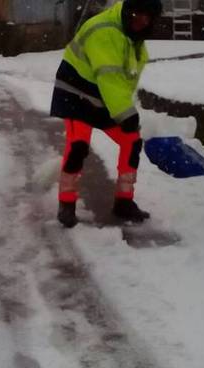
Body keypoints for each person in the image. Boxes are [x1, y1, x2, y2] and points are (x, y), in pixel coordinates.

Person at [50, 0, 162, 228]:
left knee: (132, 142)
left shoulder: (134, 41)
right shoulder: (105, 31)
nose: (142, 21)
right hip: (76, 95)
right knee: (78, 145)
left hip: (103, 98)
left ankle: (124, 202)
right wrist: (125, 114)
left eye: (147, 18)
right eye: (138, 15)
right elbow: (109, 78)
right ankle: (66, 205)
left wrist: (126, 114)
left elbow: (123, 83)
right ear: (130, 11)